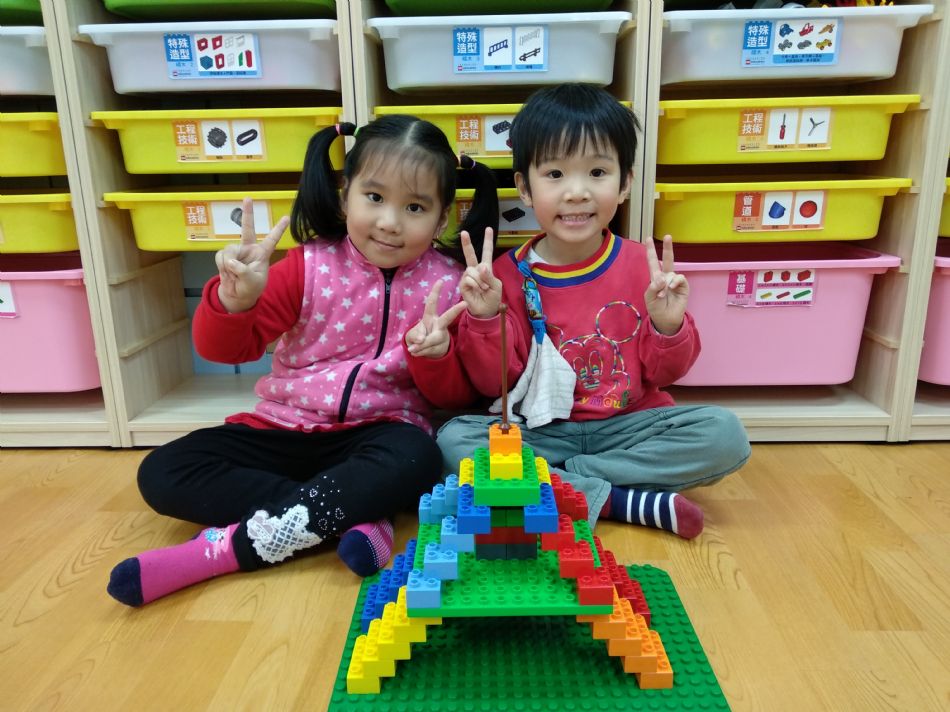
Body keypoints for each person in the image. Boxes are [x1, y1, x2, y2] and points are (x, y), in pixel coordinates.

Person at [106, 115, 498, 607]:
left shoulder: (449, 283)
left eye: (415, 207)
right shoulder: (308, 266)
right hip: (280, 428)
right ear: (345, 196)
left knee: (419, 459)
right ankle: (354, 510)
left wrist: (434, 356)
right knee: (163, 470)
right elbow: (225, 351)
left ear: (441, 220)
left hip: (380, 435)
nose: (390, 222)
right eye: (374, 197)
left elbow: (456, 398)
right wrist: (234, 302)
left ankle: (227, 550)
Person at [422, 84, 751, 539]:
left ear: (625, 183)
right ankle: (621, 500)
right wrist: (484, 318)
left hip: (628, 427)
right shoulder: (503, 276)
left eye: (597, 172)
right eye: (555, 174)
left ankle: (561, 485)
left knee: (724, 433)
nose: (576, 193)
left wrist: (668, 324)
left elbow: (668, 374)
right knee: (453, 441)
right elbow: (491, 385)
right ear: (525, 188)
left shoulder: (642, 266)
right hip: (540, 433)